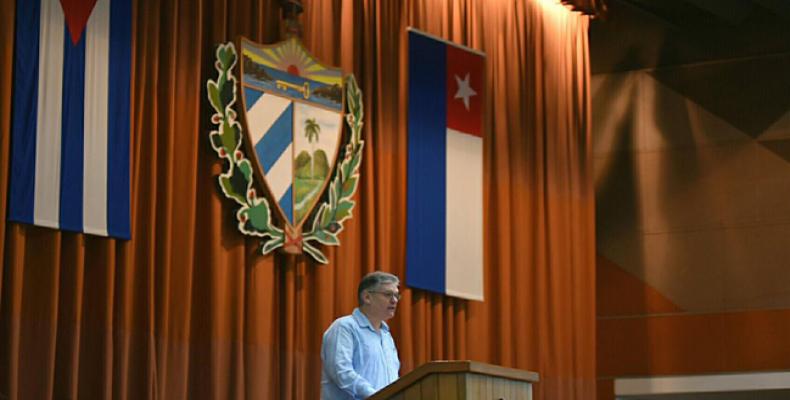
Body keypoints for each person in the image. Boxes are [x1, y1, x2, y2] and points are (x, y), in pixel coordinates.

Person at [321, 271, 401, 399]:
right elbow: (342, 373)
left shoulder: (387, 336)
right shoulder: (344, 327)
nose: (394, 300)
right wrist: (377, 396)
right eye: (388, 294)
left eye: (397, 295)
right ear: (367, 297)